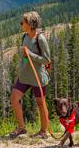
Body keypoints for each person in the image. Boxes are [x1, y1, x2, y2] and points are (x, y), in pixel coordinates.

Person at [9, 11, 51, 139]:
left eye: (23, 22)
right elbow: (25, 57)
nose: (21, 24)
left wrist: (30, 55)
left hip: (38, 77)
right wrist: (25, 58)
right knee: (14, 98)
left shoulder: (40, 39)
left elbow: (46, 59)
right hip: (25, 76)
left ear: (30, 24)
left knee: (40, 103)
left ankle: (43, 131)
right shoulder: (25, 37)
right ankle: (21, 128)